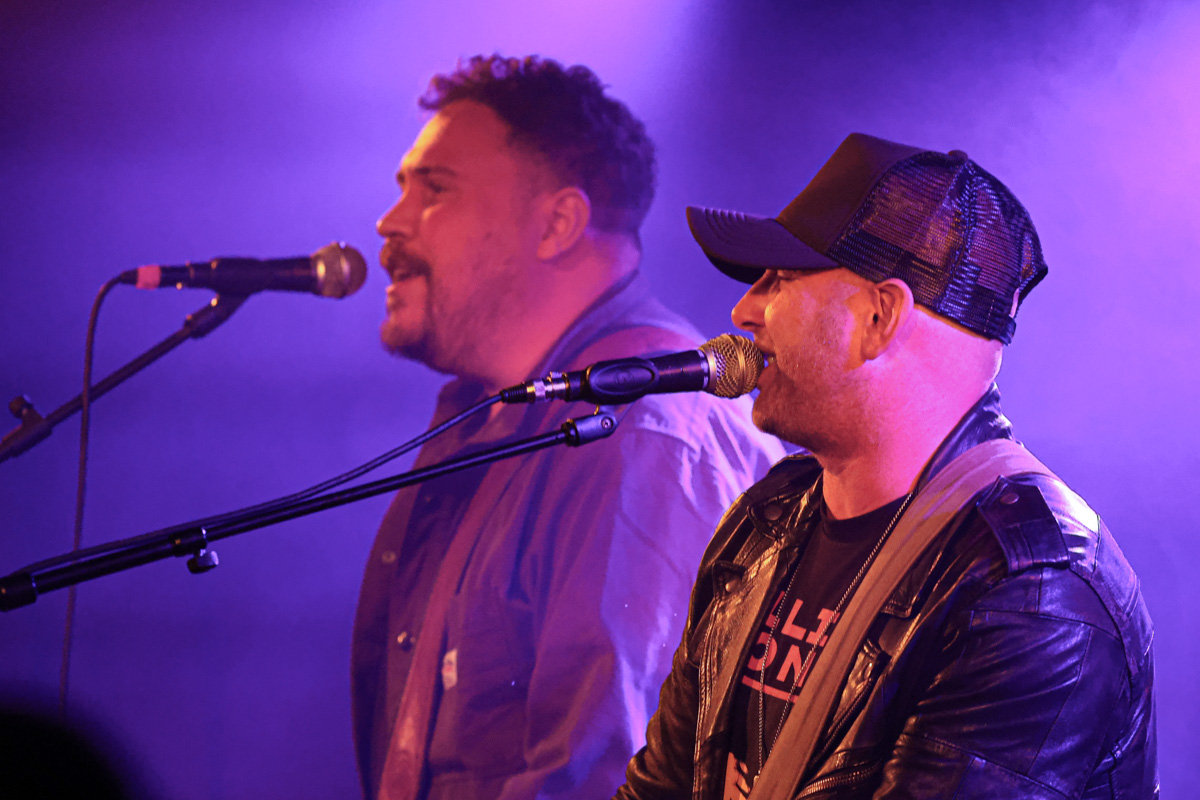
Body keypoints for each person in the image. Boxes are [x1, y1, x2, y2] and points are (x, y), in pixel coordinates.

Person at [616, 134, 1157, 798]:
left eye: (780, 278)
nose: (743, 310)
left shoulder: (1037, 592)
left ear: (879, 316)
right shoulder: (767, 517)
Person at [351, 55, 783, 800]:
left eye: (435, 190)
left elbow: (610, 774)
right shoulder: (492, 412)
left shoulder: (642, 433)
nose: (389, 223)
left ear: (557, 224)